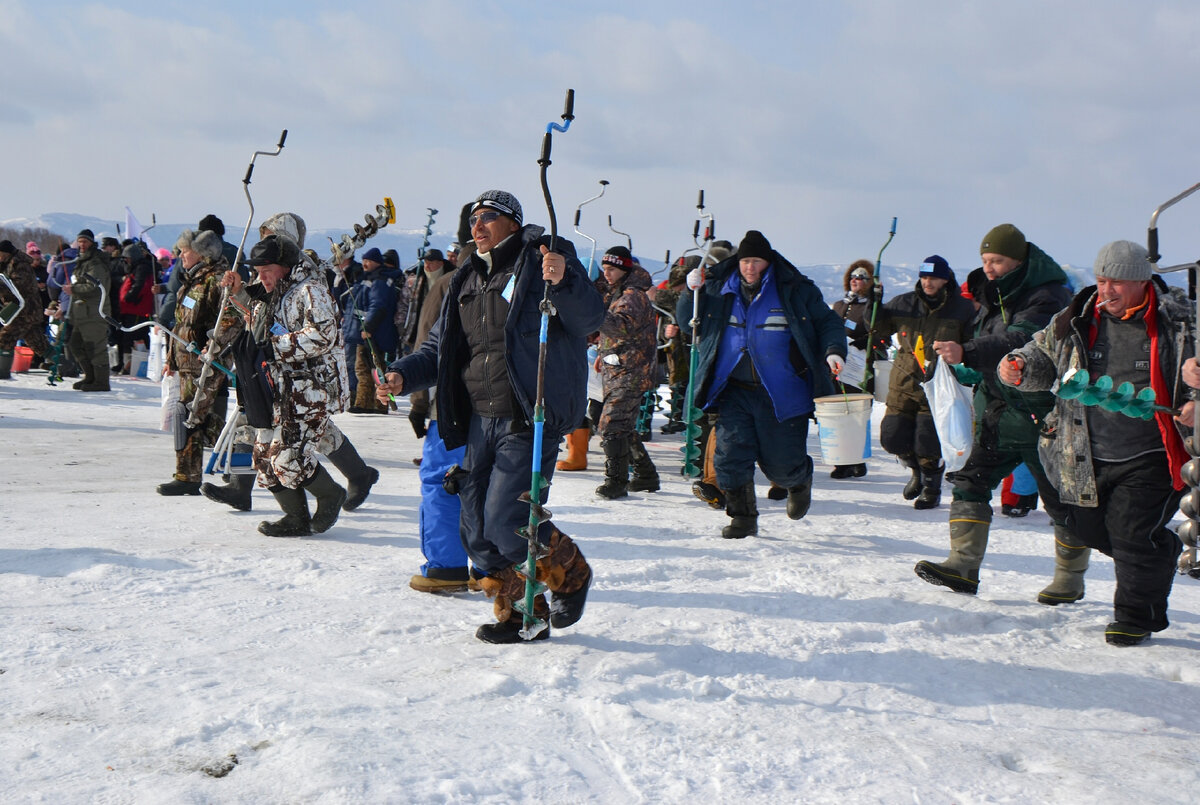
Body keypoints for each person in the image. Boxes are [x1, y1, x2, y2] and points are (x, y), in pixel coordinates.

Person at [377, 189, 604, 643]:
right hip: (480, 417)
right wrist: (403, 376)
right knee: (476, 530)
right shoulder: (466, 280)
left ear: (512, 223)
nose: (476, 227)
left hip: (527, 415)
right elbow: (439, 350)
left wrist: (562, 282)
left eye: (487, 218)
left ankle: (572, 573)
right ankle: (526, 616)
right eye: (473, 220)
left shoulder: (545, 260)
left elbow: (589, 318)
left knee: (507, 520)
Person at [1001, 240, 1193, 645]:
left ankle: (1135, 617)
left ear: (1142, 281)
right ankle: (1159, 549)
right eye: (1103, 280)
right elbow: (1041, 354)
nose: (1107, 290)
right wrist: (1017, 366)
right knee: (1085, 527)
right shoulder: (1076, 317)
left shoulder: (1182, 321)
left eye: (1118, 282)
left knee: (1131, 534)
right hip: (1079, 450)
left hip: (1152, 453)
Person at [915, 223, 1084, 603]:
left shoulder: (1048, 296)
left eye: (998, 260)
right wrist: (961, 368)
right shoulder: (994, 294)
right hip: (997, 409)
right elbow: (991, 349)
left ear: (1019, 260)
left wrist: (968, 351)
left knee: (1060, 498)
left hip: (1043, 415)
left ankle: (1070, 579)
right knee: (970, 481)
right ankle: (962, 565)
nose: (989, 268)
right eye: (985, 260)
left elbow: (1022, 340)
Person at [201, 212, 377, 516]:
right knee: (255, 423)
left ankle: (356, 476)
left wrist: (272, 346)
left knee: (312, 433)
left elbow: (297, 322)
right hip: (270, 371)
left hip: (302, 375)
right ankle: (242, 486)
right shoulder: (270, 269)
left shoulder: (305, 273)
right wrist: (237, 294)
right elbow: (260, 312)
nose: (265, 241)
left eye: (272, 235)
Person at [682, 230, 847, 538]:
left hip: (782, 393)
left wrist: (833, 350)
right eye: (745, 261)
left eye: (756, 261)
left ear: (768, 263)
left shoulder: (795, 290)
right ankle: (742, 518)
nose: (750, 268)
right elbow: (686, 323)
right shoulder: (719, 288)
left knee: (780, 466)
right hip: (733, 389)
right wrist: (691, 293)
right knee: (730, 458)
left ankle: (799, 480)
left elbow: (829, 322)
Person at [221, 234, 349, 537]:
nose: (261, 277)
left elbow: (321, 335)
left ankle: (331, 494)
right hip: (278, 391)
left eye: (267, 270)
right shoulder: (276, 293)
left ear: (286, 267)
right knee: (264, 457)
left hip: (311, 391)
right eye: (258, 271)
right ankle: (295, 517)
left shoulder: (310, 292)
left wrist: (274, 347)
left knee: (290, 458)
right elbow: (259, 322)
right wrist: (238, 293)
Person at [874, 255, 977, 508]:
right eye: (924, 276)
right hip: (903, 383)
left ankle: (932, 486)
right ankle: (916, 471)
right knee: (892, 438)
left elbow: (973, 345)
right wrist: (873, 303)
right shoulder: (903, 303)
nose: (928, 282)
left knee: (927, 443)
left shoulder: (961, 309)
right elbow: (876, 329)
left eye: (933, 277)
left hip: (939, 386)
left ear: (945, 279)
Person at [158, 230, 243, 496]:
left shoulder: (217, 280)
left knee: (191, 415)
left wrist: (213, 347)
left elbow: (231, 318)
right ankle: (238, 460)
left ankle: (189, 476)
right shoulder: (193, 281)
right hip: (187, 361)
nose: (181, 256)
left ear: (203, 253)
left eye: (186, 251)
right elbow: (183, 325)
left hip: (206, 360)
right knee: (199, 417)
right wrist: (172, 359)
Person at [408, 266, 472, 593]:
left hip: (452, 406)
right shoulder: (518, 273)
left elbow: (427, 342)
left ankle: (446, 569)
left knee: (443, 481)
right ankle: (499, 569)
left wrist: (419, 402)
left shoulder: (450, 282)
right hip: (505, 405)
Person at [593, 246, 660, 498]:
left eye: (611, 269)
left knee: (611, 425)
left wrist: (593, 315)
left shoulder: (632, 296)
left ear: (623, 270)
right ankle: (645, 474)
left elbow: (620, 328)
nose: (606, 274)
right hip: (620, 368)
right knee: (624, 426)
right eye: (605, 269)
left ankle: (616, 480)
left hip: (631, 370)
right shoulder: (618, 292)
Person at [829, 259, 890, 479]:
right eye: (853, 277)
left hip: (861, 368)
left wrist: (865, 343)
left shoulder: (873, 308)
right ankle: (842, 460)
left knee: (858, 415)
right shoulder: (839, 305)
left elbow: (883, 335)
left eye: (862, 278)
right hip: (838, 366)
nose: (857, 281)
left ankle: (857, 459)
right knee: (839, 413)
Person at [403, 248, 455, 437]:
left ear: (440, 263)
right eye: (425, 261)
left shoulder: (448, 281)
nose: (427, 265)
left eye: (431, 261)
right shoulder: (418, 280)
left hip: (433, 343)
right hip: (422, 339)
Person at [343, 246, 399, 414]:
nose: (365, 264)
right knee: (367, 369)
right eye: (364, 260)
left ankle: (374, 404)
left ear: (376, 263)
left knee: (372, 369)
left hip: (373, 334)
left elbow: (378, 306)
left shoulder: (379, 281)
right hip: (366, 332)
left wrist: (368, 327)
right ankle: (368, 403)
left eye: (368, 261)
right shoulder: (367, 279)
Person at [64, 229, 113, 391]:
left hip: (95, 312)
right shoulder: (84, 260)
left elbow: (96, 286)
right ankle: (90, 376)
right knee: (75, 344)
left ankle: (102, 382)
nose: (82, 244)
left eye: (85, 241)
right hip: (83, 312)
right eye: (80, 241)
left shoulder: (95, 262)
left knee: (96, 346)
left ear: (91, 242)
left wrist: (74, 289)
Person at [0, 240, 51, 377]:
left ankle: (2, 372)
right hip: (22, 310)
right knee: (37, 342)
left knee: (5, 338)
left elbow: (18, 287)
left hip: (25, 310)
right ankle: (61, 364)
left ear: (5, 253)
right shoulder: (7, 264)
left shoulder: (20, 265)